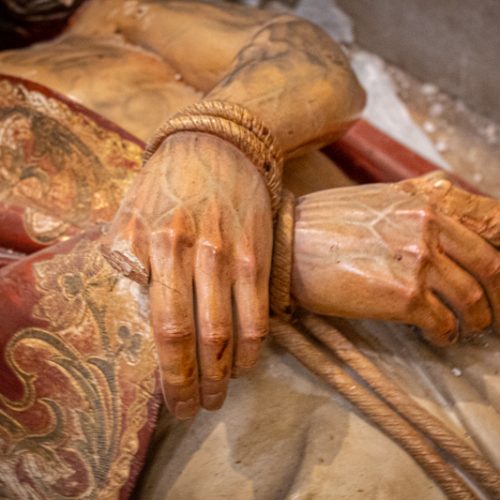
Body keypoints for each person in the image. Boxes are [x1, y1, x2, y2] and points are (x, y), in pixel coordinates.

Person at [0, 1, 499, 498]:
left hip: (422, 314)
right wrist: (282, 247)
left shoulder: (104, 22)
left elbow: (304, 56)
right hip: (237, 438)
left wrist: (214, 139)